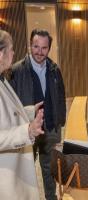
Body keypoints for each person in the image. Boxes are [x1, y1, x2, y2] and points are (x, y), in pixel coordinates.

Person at [10, 29, 66, 200]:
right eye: (36, 46)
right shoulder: (16, 71)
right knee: (24, 171)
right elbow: (11, 104)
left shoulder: (54, 69)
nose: (39, 52)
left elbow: (61, 96)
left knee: (50, 170)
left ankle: (51, 197)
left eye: (44, 48)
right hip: (27, 131)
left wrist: (60, 121)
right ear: (29, 45)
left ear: (49, 48)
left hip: (50, 129)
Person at [0, 30, 44, 199]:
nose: (13, 53)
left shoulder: (3, 78)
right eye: (10, 50)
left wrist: (30, 111)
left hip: (14, 166)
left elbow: (8, 113)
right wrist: (27, 131)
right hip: (7, 174)